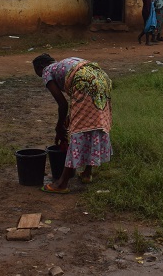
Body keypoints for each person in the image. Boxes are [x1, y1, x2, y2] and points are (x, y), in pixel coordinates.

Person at [33, 53, 113, 193]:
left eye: (38, 73)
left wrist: (59, 128)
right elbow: (74, 102)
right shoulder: (65, 63)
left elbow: (63, 104)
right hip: (102, 79)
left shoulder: (47, 70)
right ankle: (87, 173)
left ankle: (62, 183)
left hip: (85, 82)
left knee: (78, 131)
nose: (41, 77)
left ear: (40, 67)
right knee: (92, 125)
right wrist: (67, 120)